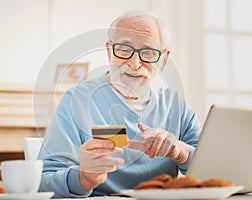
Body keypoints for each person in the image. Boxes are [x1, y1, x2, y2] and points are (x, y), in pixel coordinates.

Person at [38, 10, 202, 198]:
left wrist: (180, 151)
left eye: (148, 52)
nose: (134, 63)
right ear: (110, 51)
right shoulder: (77, 101)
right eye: (124, 49)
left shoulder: (176, 106)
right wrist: (83, 178)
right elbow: (43, 183)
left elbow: (215, 171)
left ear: (163, 60)